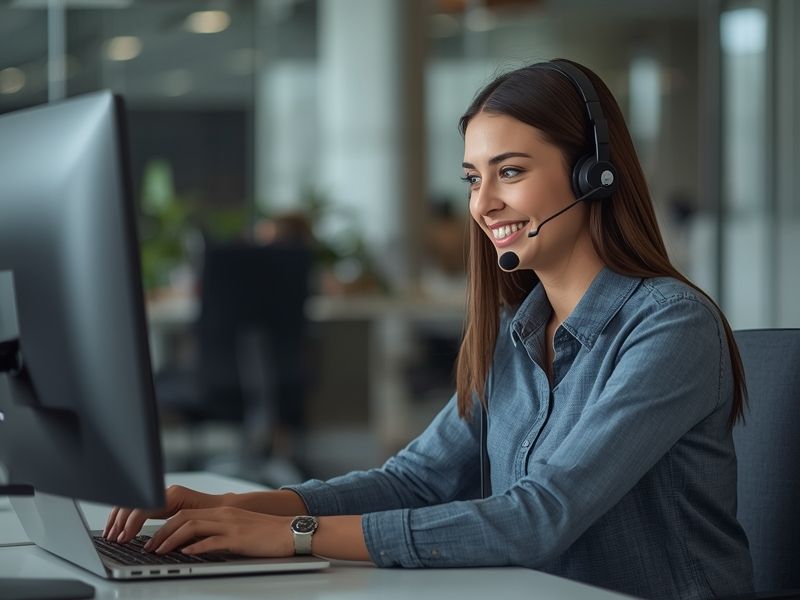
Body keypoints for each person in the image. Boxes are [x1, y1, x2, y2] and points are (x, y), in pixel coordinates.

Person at [105, 59, 753, 599]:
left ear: (593, 174)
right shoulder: (516, 333)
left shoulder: (669, 327)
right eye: (474, 178)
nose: (483, 203)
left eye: (511, 171)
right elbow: (412, 481)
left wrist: (294, 536)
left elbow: (538, 519)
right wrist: (238, 510)